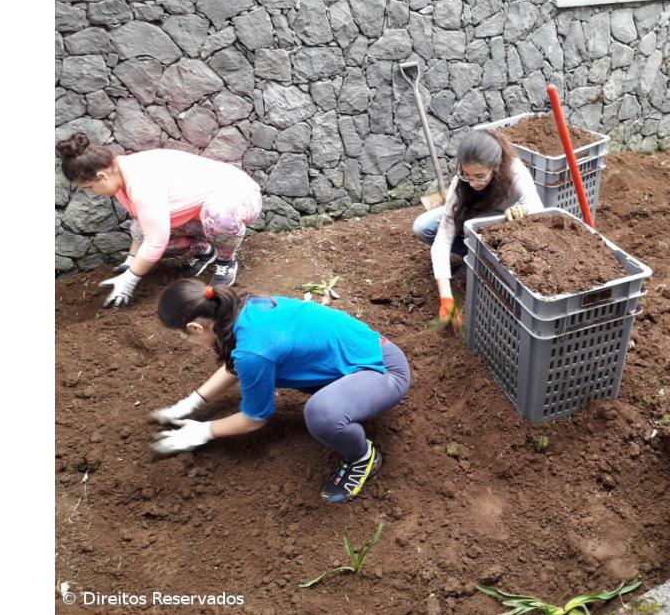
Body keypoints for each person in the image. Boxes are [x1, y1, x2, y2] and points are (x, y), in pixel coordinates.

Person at [149, 278, 411, 504]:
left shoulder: (253, 349)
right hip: (364, 354)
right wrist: (192, 402)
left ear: (195, 327)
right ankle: (349, 404)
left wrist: (203, 431)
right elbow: (238, 363)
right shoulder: (243, 307)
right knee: (313, 393)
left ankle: (362, 457)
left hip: (383, 372)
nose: (186, 341)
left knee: (322, 414)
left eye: (183, 336)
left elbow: (253, 418)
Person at [56, 133, 263, 307]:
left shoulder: (141, 182)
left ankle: (226, 261)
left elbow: (156, 240)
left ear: (102, 176)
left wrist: (130, 279)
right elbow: (144, 224)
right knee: (138, 229)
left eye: (89, 187)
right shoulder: (118, 174)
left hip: (239, 198)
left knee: (218, 214)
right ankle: (203, 251)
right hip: (198, 213)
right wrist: (131, 261)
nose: (92, 193)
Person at [412, 129, 545, 331]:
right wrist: (446, 297)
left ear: (496, 167)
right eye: (468, 175)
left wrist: (521, 210)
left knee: (472, 228)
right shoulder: (462, 182)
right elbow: (443, 237)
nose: (472, 183)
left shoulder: (515, 172)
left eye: (480, 176)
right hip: (474, 216)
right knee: (423, 227)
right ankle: (472, 256)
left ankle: (483, 261)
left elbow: (539, 212)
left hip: (504, 226)